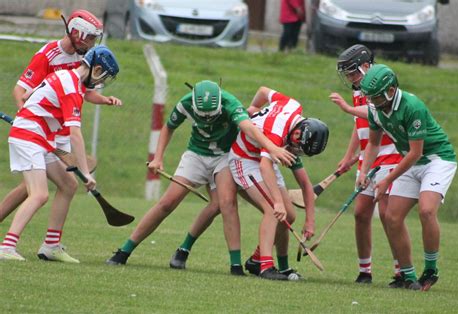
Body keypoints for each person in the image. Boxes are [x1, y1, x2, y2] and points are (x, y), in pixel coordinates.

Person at [105, 80, 294, 275]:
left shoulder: (230, 104)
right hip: (196, 154)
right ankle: (124, 251)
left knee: (226, 203)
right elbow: (169, 127)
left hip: (224, 157)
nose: (207, 120)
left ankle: (235, 265)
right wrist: (158, 157)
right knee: (168, 202)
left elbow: (248, 128)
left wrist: (271, 147)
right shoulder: (185, 103)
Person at [0, 9, 122, 245]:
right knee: (34, 189)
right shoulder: (48, 55)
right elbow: (21, 91)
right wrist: (27, 115)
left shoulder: (84, 59)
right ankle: (10, 243)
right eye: (89, 37)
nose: (91, 43)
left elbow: (84, 92)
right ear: (76, 31)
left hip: (58, 129)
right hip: (39, 128)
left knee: (62, 184)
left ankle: (51, 245)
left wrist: (105, 99)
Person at [358, 64, 457, 291]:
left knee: (427, 210)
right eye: (369, 97)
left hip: (436, 159)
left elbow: (416, 153)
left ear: (391, 91)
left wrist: (386, 180)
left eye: (375, 97)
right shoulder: (375, 110)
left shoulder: (412, 106)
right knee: (392, 217)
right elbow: (373, 143)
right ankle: (409, 277)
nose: (371, 102)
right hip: (410, 162)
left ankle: (431, 269)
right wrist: (364, 171)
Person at [230, 86, 329, 280]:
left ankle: (272, 264)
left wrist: (310, 220)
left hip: (264, 157)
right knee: (272, 210)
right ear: (297, 135)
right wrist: (277, 201)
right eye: (298, 148)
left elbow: (262, 90)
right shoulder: (277, 132)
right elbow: (265, 167)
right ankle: (265, 267)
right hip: (245, 159)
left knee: (289, 215)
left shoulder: (294, 106)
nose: (296, 152)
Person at [329, 45, 403, 287]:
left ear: (366, 66)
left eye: (353, 73)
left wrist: (349, 108)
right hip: (368, 157)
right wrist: (350, 155)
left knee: (387, 214)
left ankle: (401, 270)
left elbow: (372, 113)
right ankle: (364, 271)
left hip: (390, 154)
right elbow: (360, 124)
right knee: (361, 213)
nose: (350, 78)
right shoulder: (358, 90)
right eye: (347, 74)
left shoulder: (382, 84)